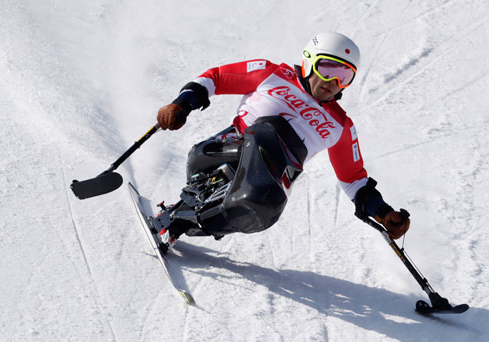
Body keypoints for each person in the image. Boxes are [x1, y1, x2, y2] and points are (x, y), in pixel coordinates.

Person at [153, 31, 410, 247]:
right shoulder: (272, 73)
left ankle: (185, 221)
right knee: (271, 131)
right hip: (221, 153)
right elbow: (216, 78)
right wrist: (182, 104)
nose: (333, 81)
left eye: (344, 76)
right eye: (328, 68)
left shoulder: (341, 125)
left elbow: (354, 179)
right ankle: (189, 204)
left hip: (265, 185)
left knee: (263, 209)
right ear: (309, 61)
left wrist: (383, 212)